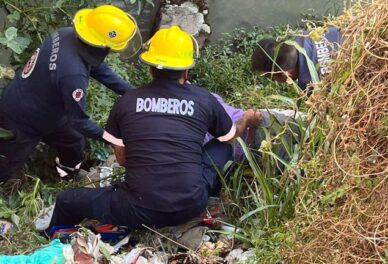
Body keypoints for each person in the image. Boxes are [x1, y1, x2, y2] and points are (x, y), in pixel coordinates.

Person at [47, 25, 261, 230]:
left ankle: (55, 238)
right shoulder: (204, 99)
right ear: (186, 70)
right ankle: (210, 193)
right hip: (191, 205)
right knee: (222, 146)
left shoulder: (126, 102)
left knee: (67, 201)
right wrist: (247, 119)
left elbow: (122, 159)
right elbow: (230, 136)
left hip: (137, 209)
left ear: (150, 68)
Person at [0, 5, 141, 183]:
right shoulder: (73, 75)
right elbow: (79, 121)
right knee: (8, 164)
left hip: (40, 100)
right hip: (23, 117)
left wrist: (134, 93)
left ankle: (66, 176)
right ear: (100, 45)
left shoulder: (67, 34)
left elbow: (99, 69)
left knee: (73, 142)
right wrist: (115, 140)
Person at [251, 27, 343, 90]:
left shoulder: (309, 84)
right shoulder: (307, 34)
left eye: (273, 78)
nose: (276, 81)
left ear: (286, 74)